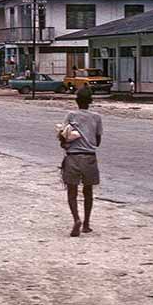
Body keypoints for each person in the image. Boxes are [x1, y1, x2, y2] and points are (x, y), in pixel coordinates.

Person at [58, 86, 103, 238]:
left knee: (72, 192)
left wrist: (66, 142)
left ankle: (76, 219)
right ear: (90, 101)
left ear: (76, 101)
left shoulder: (70, 115)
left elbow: (63, 135)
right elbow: (97, 141)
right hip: (89, 157)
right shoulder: (96, 117)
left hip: (73, 157)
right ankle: (86, 223)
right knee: (88, 191)